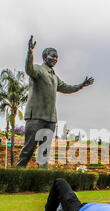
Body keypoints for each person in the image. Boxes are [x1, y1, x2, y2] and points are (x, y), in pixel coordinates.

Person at [17, 35, 94, 168]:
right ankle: (16, 176)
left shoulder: (55, 77)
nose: (55, 59)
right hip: (35, 116)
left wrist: (82, 85)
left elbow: (67, 88)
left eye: (56, 57)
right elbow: (29, 69)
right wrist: (30, 53)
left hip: (50, 118)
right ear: (45, 57)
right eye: (52, 56)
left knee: (44, 152)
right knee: (28, 150)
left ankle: (42, 179)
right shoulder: (38, 70)